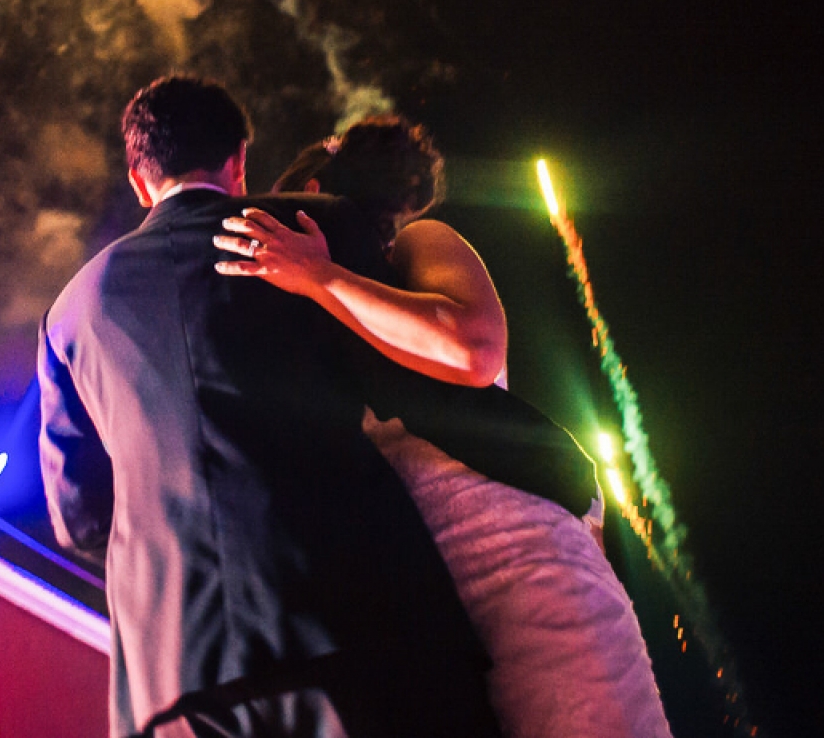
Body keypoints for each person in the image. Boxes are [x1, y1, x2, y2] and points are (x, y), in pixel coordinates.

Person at [38, 78, 497, 738]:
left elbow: (80, 519)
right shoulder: (312, 228)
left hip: (170, 680)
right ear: (238, 160)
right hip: (352, 625)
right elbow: (416, 383)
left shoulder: (68, 313)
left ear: (139, 180)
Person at [214, 118, 673, 738]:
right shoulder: (308, 331)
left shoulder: (416, 245)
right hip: (408, 601)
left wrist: (321, 277)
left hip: (516, 558)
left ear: (313, 195)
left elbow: (471, 349)